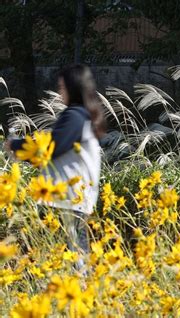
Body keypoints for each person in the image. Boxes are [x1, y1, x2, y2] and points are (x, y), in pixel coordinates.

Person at [6, 64, 105, 271]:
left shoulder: (75, 115)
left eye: (62, 87)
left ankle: (83, 292)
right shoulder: (84, 116)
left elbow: (50, 147)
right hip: (75, 197)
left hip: (70, 198)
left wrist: (15, 145)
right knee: (74, 251)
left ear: (73, 88)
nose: (60, 93)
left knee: (73, 254)